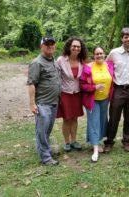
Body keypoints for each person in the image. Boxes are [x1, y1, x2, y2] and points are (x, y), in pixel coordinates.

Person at [104, 27, 129, 153]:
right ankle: (109, 142)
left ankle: (127, 141)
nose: (128, 39)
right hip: (118, 89)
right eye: (125, 37)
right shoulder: (114, 53)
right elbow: (105, 67)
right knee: (114, 116)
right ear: (122, 38)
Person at [27, 36, 61, 166]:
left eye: (52, 44)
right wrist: (32, 103)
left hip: (54, 102)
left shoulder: (54, 61)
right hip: (42, 103)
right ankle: (45, 158)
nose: (50, 46)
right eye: (47, 44)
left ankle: (45, 150)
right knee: (42, 130)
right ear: (42, 46)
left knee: (47, 130)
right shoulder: (37, 63)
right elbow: (31, 84)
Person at [80, 46, 114, 162]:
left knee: (102, 121)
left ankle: (97, 142)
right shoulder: (88, 67)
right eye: (97, 54)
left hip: (105, 99)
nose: (99, 56)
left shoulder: (109, 65)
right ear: (93, 56)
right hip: (92, 100)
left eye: (101, 53)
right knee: (94, 122)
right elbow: (82, 85)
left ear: (104, 54)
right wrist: (94, 87)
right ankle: (95, 150)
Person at [56, 38, 88, 152]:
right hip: (65, 93)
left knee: (75, 118)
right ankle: (67, 142)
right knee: (67, 118)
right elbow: (56, 78)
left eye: (78, 46)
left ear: (81, 48)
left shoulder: (82, 61)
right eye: (74, 46)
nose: (76, 48)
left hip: (77, 93)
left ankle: (74, 141)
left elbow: (86, 76)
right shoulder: (61, 60)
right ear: (69, 46)